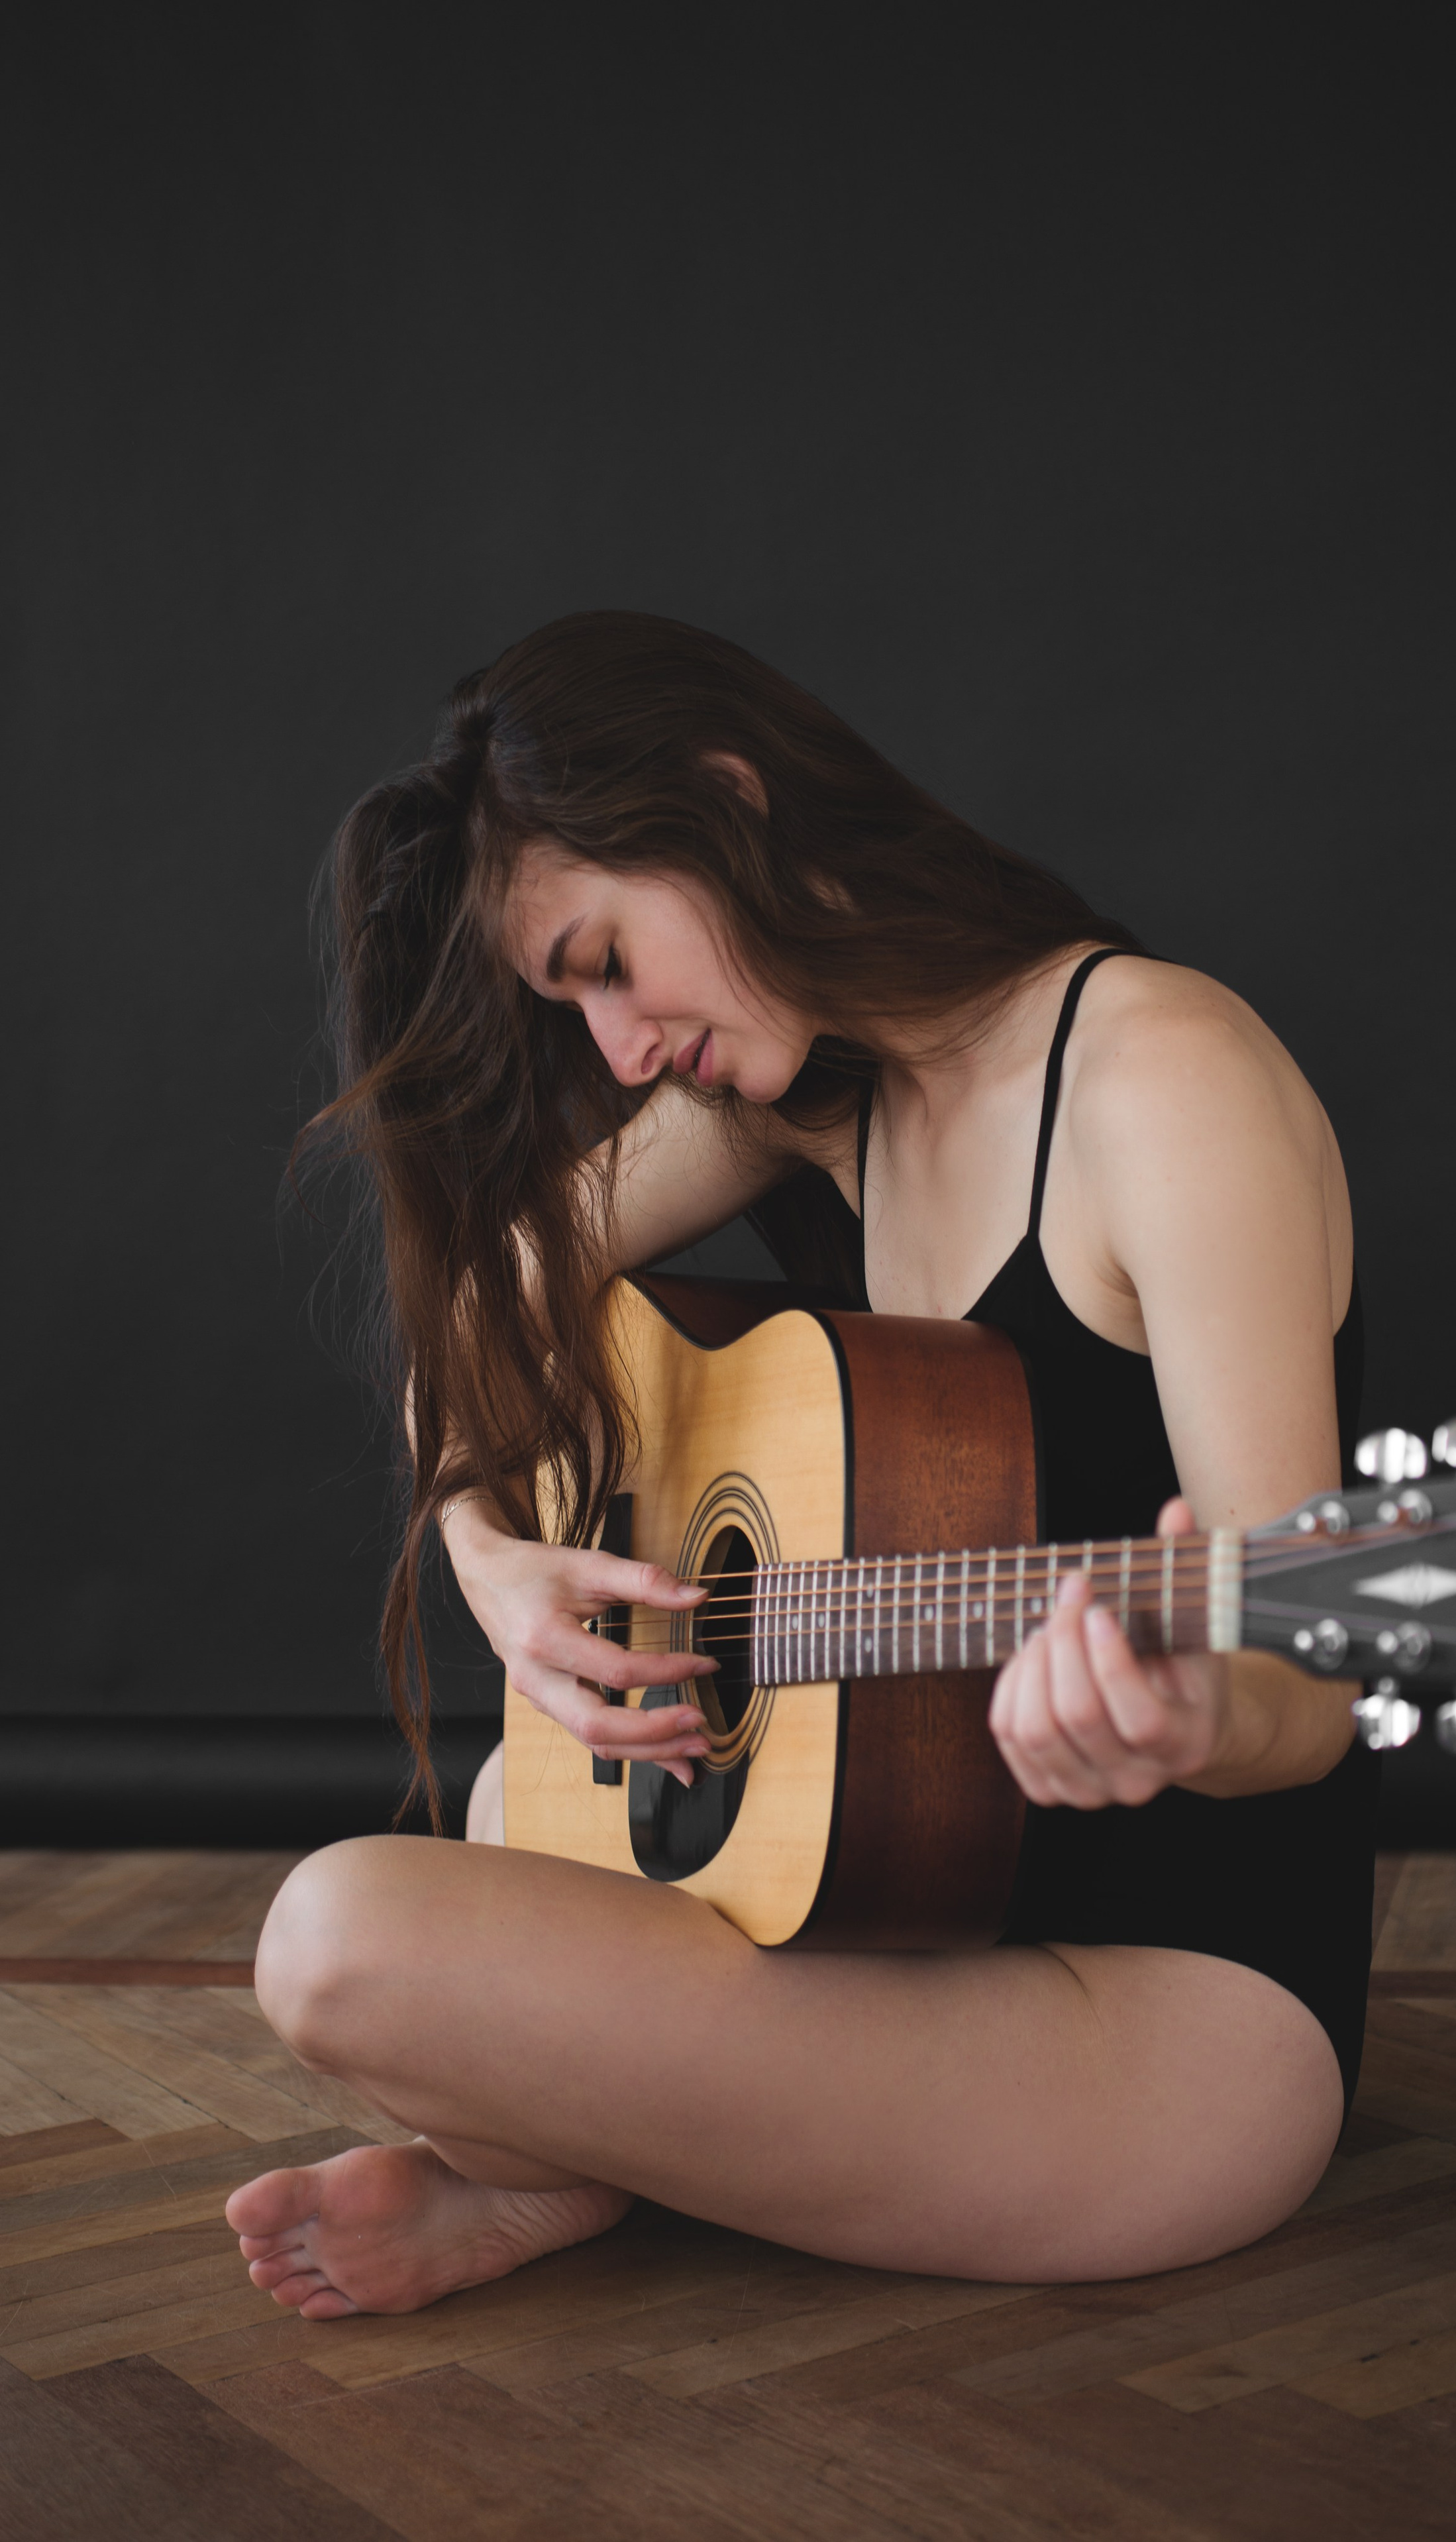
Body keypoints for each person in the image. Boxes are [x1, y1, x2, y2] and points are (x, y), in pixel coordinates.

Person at [225, 612, 1376, 2319]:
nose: (617, 1053)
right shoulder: (789, 1103)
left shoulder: (1158, 1080)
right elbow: (474, 1331)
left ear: (726, 803)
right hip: (868, 1925)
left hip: (1168, 2017)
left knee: (343, 1940)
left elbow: (1322, 1669)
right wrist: (490, 1555)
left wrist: (1200, 1713)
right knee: (376, 1914)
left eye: (608, 959)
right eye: (578, 1007)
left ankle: (573, 2163)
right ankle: (613, 2159)